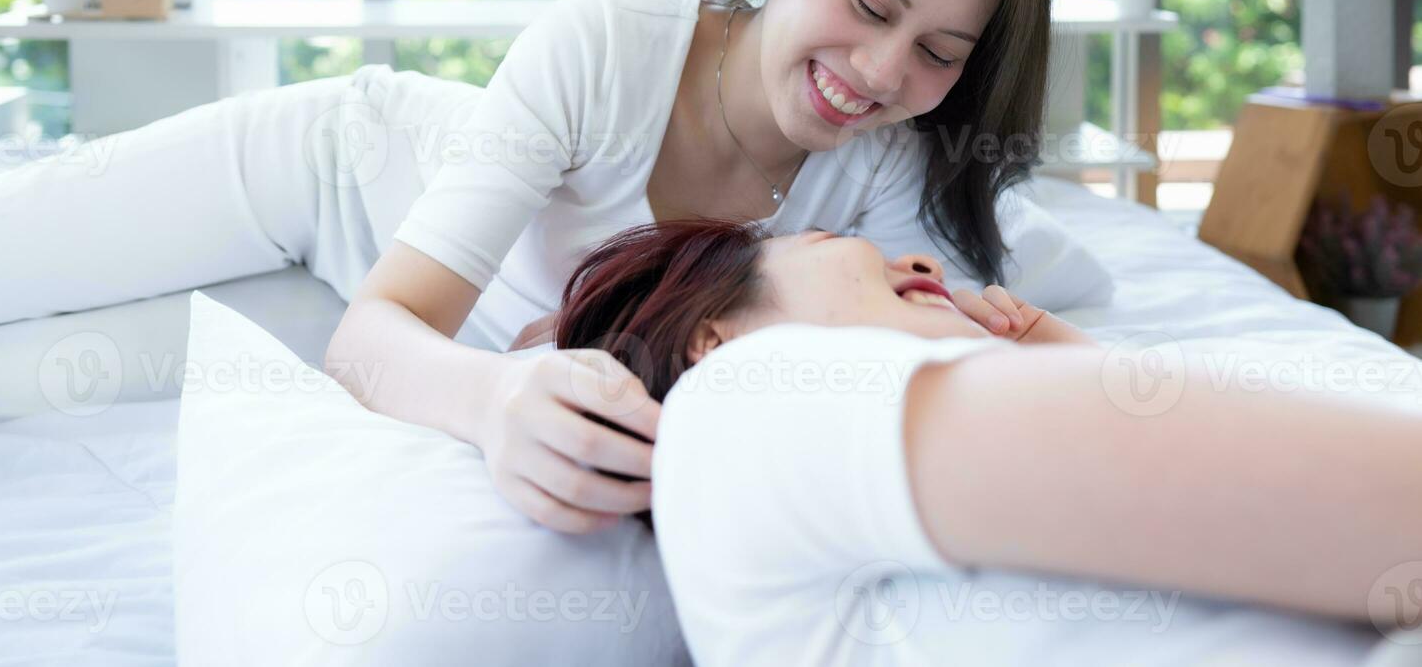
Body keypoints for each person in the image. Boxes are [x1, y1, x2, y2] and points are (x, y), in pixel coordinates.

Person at [0, 0, 1096, 536]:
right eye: (870, 3)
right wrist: (497, 401)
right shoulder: (613, 40)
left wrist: (1062, 363)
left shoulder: (883, 174)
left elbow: (949, 375)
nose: (881, 71)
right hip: (323, 182)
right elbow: (388, 323)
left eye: (940, 53)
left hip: (375, 320)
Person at [549, 218, 1422, 664]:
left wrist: (1089, 370)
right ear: (711, 333)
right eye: (828, 240)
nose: (927, 267)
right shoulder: (742, 398)